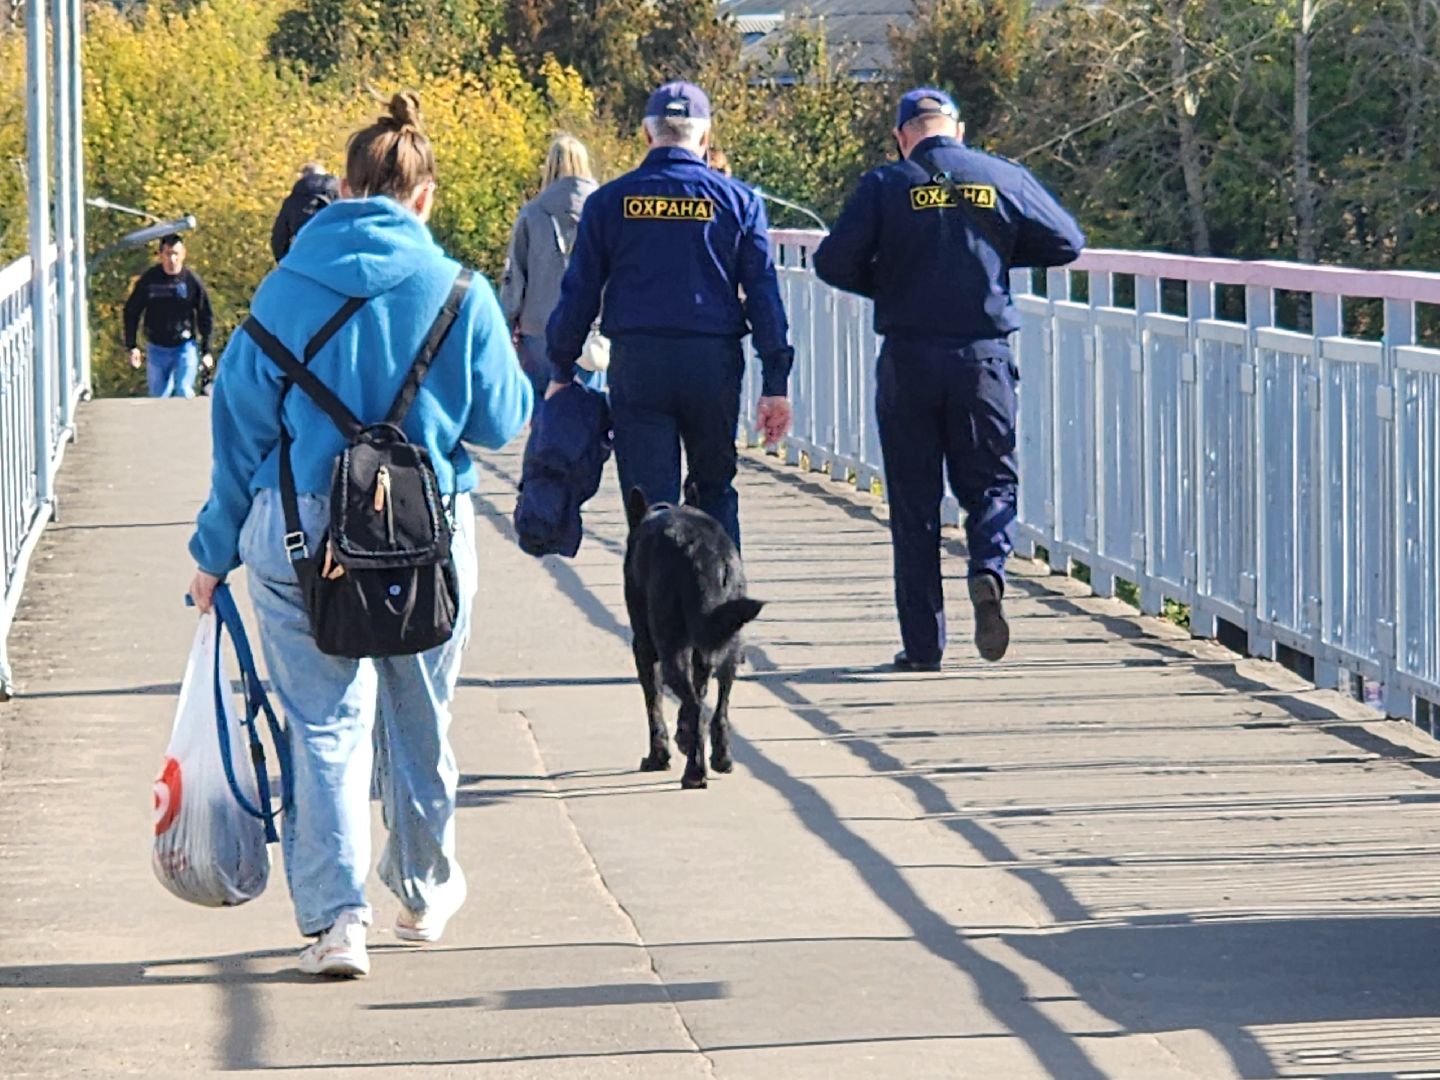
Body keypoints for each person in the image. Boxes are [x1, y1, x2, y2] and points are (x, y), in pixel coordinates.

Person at [186, 92, 532, 979]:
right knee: (421, 715)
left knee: (322, 727)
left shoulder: (282, 290)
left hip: (298, 538)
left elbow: (239, 436)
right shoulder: (460, 290)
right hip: (425, 538)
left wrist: (212, 554)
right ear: (425, 196)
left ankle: (338, 923)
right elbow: (501, 419)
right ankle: (422, 890)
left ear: (342, 190)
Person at [813, 88, 1084, 671]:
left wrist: (889, 284)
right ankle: (988, 570)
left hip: (908, 358)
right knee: (992, 484)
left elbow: (832, 261)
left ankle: (923, 646)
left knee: (913, 504)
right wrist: (993, 255)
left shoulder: (885, 185)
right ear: (958, 130)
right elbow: (1068, 241)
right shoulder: (1000, 176)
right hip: (982, 359)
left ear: (901, 137)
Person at [546, 82, 793, 550]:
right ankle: (719, 594)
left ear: (646, 135)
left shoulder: (609, 202)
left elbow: (579, 293)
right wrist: (775, 382)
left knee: (650, 506)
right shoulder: (739, 202)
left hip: (639, 364)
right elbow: (763, 295)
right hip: (712, 364)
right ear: (705, 137)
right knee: (714, 491)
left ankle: (657, 596)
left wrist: (561, 370)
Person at [500, 135, 603, 399]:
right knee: (589, 410)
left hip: (538, 331)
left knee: (540, 411)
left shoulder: (532, 213)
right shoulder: (604, 210)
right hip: (590, 332)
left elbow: (515, 277)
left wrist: (507, 324)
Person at [122, 234, 214, 398]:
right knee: (159, 396)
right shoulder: (150, 280)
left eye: (176, 254)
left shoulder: (191, 281)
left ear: (183, 254)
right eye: (168, 254)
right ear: (160, 255)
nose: (172, 259)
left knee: (184, 391)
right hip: (157, 347)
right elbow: (132, 311)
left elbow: (205, 315)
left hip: (184, 346)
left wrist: (207, 350)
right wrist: (132, 346)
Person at [271, 162, 341, 262]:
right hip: (335, 256)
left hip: (304, 257)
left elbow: (279, 237)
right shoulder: (341, 195)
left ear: (303, 177)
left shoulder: (293, 200)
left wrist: (285, 263)